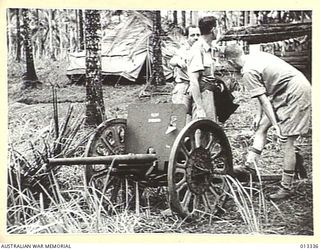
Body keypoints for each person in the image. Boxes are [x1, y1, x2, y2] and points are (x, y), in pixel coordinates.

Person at [224, 43, 311, 200]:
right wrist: (258, 115)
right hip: (282, 92)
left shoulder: (248, 72)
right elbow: (261, 93)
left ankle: (286, 187)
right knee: (261, 128)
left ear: (231, 62)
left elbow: (265, 101)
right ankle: (249, 166)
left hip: (296, 92)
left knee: (287, 141)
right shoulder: (252, 58)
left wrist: (276, 125)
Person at [187, 16, 238, 122]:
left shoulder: (210, 48)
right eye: (218, 28)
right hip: (203, 95)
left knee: (213, 128)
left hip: (212, 94)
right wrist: (200, 108)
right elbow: (194, 82)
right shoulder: (197, 50)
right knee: (204, 128)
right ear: (213, 30)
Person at [170, 25, 201, 117]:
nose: (196, 38)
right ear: (186, 37)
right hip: (184, 87)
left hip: (198, 87)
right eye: (192, 35)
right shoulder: (183, 50)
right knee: (179, 117)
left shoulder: (201, 49)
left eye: (198, 35)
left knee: (199, 117)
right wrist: (179, 62)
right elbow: (172, 61)